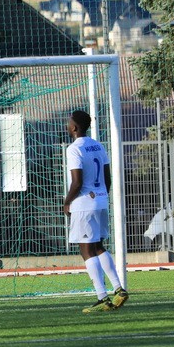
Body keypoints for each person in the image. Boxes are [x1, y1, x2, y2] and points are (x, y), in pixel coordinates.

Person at [64, 110, 129, 313]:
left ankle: (102, 297)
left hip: (84, 203)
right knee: (99, 246)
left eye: (68, 122)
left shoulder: (74, 149)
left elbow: (77, 182)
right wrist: (101, 196)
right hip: (101, 201)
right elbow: (107, 178)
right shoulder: (98, 145)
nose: (67, 125)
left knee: (87, 250)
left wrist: (67, 202)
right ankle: (119, 289)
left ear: (74, 127)